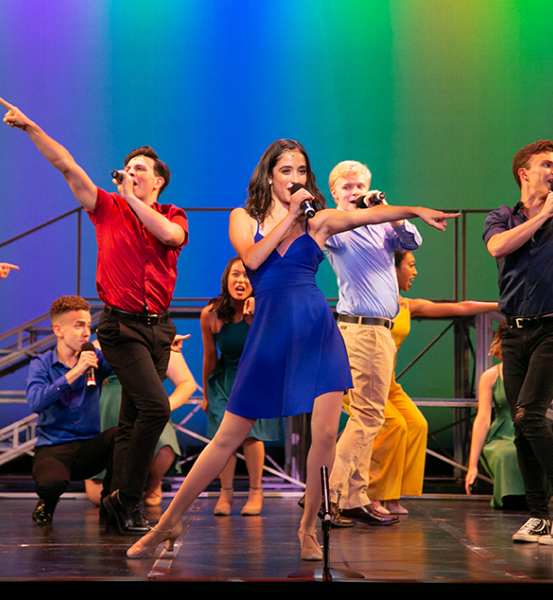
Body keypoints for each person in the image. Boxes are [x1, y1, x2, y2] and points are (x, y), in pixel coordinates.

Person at [127, 140, 457, 562]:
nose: (296, 179)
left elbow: (370, 215)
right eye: (286, 171)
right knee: (227, 437)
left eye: (301, 171)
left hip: (316, 331)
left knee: (325, 434)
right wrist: (289, 218)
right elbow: (253, 258)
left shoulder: (318, 221)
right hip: (269, 333)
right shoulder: (243, 218)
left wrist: (415, 211)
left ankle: (309, 527)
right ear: (270, 176)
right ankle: (168, 521)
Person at [0, 98, 188, 535]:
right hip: (122, 325)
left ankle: (117, 505)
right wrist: (30, 126)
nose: (132, 173)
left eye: (141, 169)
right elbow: (66, 165)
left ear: (158, 180)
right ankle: (127, 498)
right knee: (155, 408)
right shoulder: (107, 207)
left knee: (132, 422)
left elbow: (169, 236)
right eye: (129, 167)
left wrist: (133, 201)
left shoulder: (171, 214)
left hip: (159, 326)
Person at [483, 140, 553, 545]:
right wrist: (542, 216)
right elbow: (498, 247)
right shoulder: (502, 217)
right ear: (524, 173)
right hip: (514, 333)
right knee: (521, 430)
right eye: (547, 165)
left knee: (530, 415)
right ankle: (539, 515)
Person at [323, 161, 423, 526]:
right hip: (361, 330)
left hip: (380, 330)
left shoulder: (382, 224)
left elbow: (413, 241)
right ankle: (331, 495)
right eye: (347, 187)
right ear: (335, 193)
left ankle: (354, 496)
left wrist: (387, 211)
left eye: (360, 186)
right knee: (367, 416)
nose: (355, 192)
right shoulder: (336, 225)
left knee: (368, 417)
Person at [368, 250, 498, 515]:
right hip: (364, 381)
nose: (415, 272)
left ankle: (392, 494)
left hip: (388, 384)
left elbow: (460, 308)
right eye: (410, 265)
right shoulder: (370, 303)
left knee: (417, 425)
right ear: (393, 268)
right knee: (394, 424)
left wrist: (499, 305)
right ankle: (372, 494)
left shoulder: (408, 305)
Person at [201, 257, 281, 517]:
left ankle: (256, 491)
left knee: (250, 433)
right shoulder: (211, 314)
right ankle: (225, 493)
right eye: (236, 274)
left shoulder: (266, 308)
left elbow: (272, 350)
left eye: (247, 275)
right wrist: (205, 395)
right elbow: (210, 357)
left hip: (255, 377)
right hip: (225, 380)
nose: (241, 280)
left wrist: (254, 320)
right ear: (226, 279)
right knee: (223, 435)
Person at [26, 296, 114, 524]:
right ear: (59, 330)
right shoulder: (41, 363)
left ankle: (112, 505)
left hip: (89, 447)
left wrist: (162, 348)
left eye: (88, 325)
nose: (86, 333)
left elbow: (129, 362)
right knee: (50, 484)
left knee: (123, 435)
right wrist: (75, 372)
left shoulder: (95, 358)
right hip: (54, 446)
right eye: (79, 325)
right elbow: (36, 402)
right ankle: (47, 501)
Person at [85, 345, 196, 507]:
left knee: (164, 448)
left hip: (146, 409)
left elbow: (187, 382)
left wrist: (163, 407)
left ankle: (152, 481)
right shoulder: (97, 346)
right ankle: (123, 484)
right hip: (107, 412)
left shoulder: (159, 341)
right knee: (99, 498)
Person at [465, 321, 526, 509]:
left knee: (537, 452)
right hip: (502, 435)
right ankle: (511, 498)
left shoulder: (535, 373)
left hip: (530, 431)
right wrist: (472, 465)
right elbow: (482, 419)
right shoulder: (491, 376)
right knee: (506, 454)